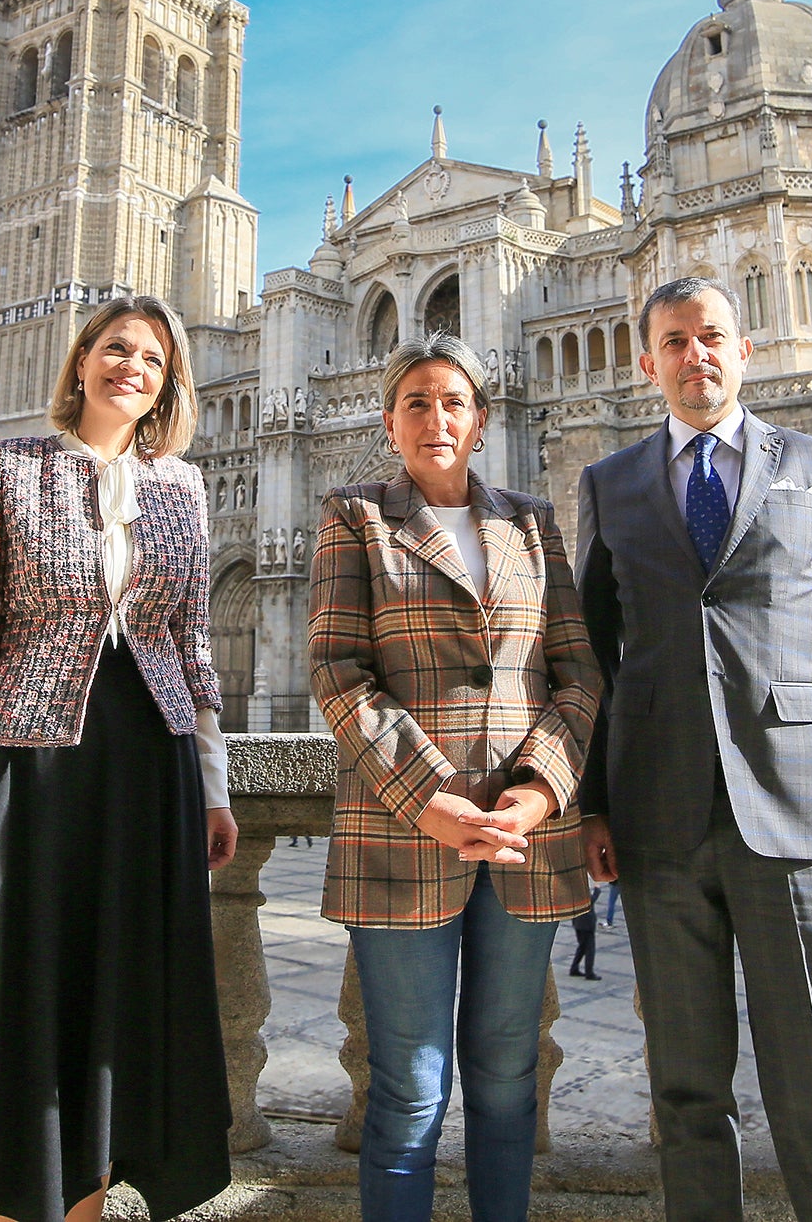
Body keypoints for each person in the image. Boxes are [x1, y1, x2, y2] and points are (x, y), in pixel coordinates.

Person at [578, 278, 812, 1222]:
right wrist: (591, 804)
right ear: (646, 362)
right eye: (673, 341)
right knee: (684, 1089)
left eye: (711, 336)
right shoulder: (609, 482)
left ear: (743, 350)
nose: (694, 354)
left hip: (797, 804)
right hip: (655, 816)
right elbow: (591, 658)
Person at [0, 294, 237, 1222]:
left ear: (168, 387)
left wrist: (213, 788)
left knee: (116, 1002)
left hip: (149, 768)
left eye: (153, 360)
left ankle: (86, 1199)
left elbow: (192, 641)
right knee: (18, 986)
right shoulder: (6, 466)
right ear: (81, 361)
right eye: (116, 348)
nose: (132, 367)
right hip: (25, 767)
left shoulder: (183, 488)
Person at [309, 331, 604, 1222]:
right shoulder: (354, 514)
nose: (434, 419)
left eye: (452, 403)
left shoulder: (531, 521)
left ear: (480, 420)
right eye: (415, 403)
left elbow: (577, 672)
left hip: (524, 836)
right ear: (389, 423)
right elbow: (336, 670)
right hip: (401, 832)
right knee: (407, 1085)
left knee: (509, 1075)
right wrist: (428, 799)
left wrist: (539, 791)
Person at [567, 902, 599, 981]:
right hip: (586, 925)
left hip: (578, 923)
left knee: (582, 947)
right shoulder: (585, 897)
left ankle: (574, 968)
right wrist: (596, 893)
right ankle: (589, 973)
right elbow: (590, 901)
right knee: (590, 950)